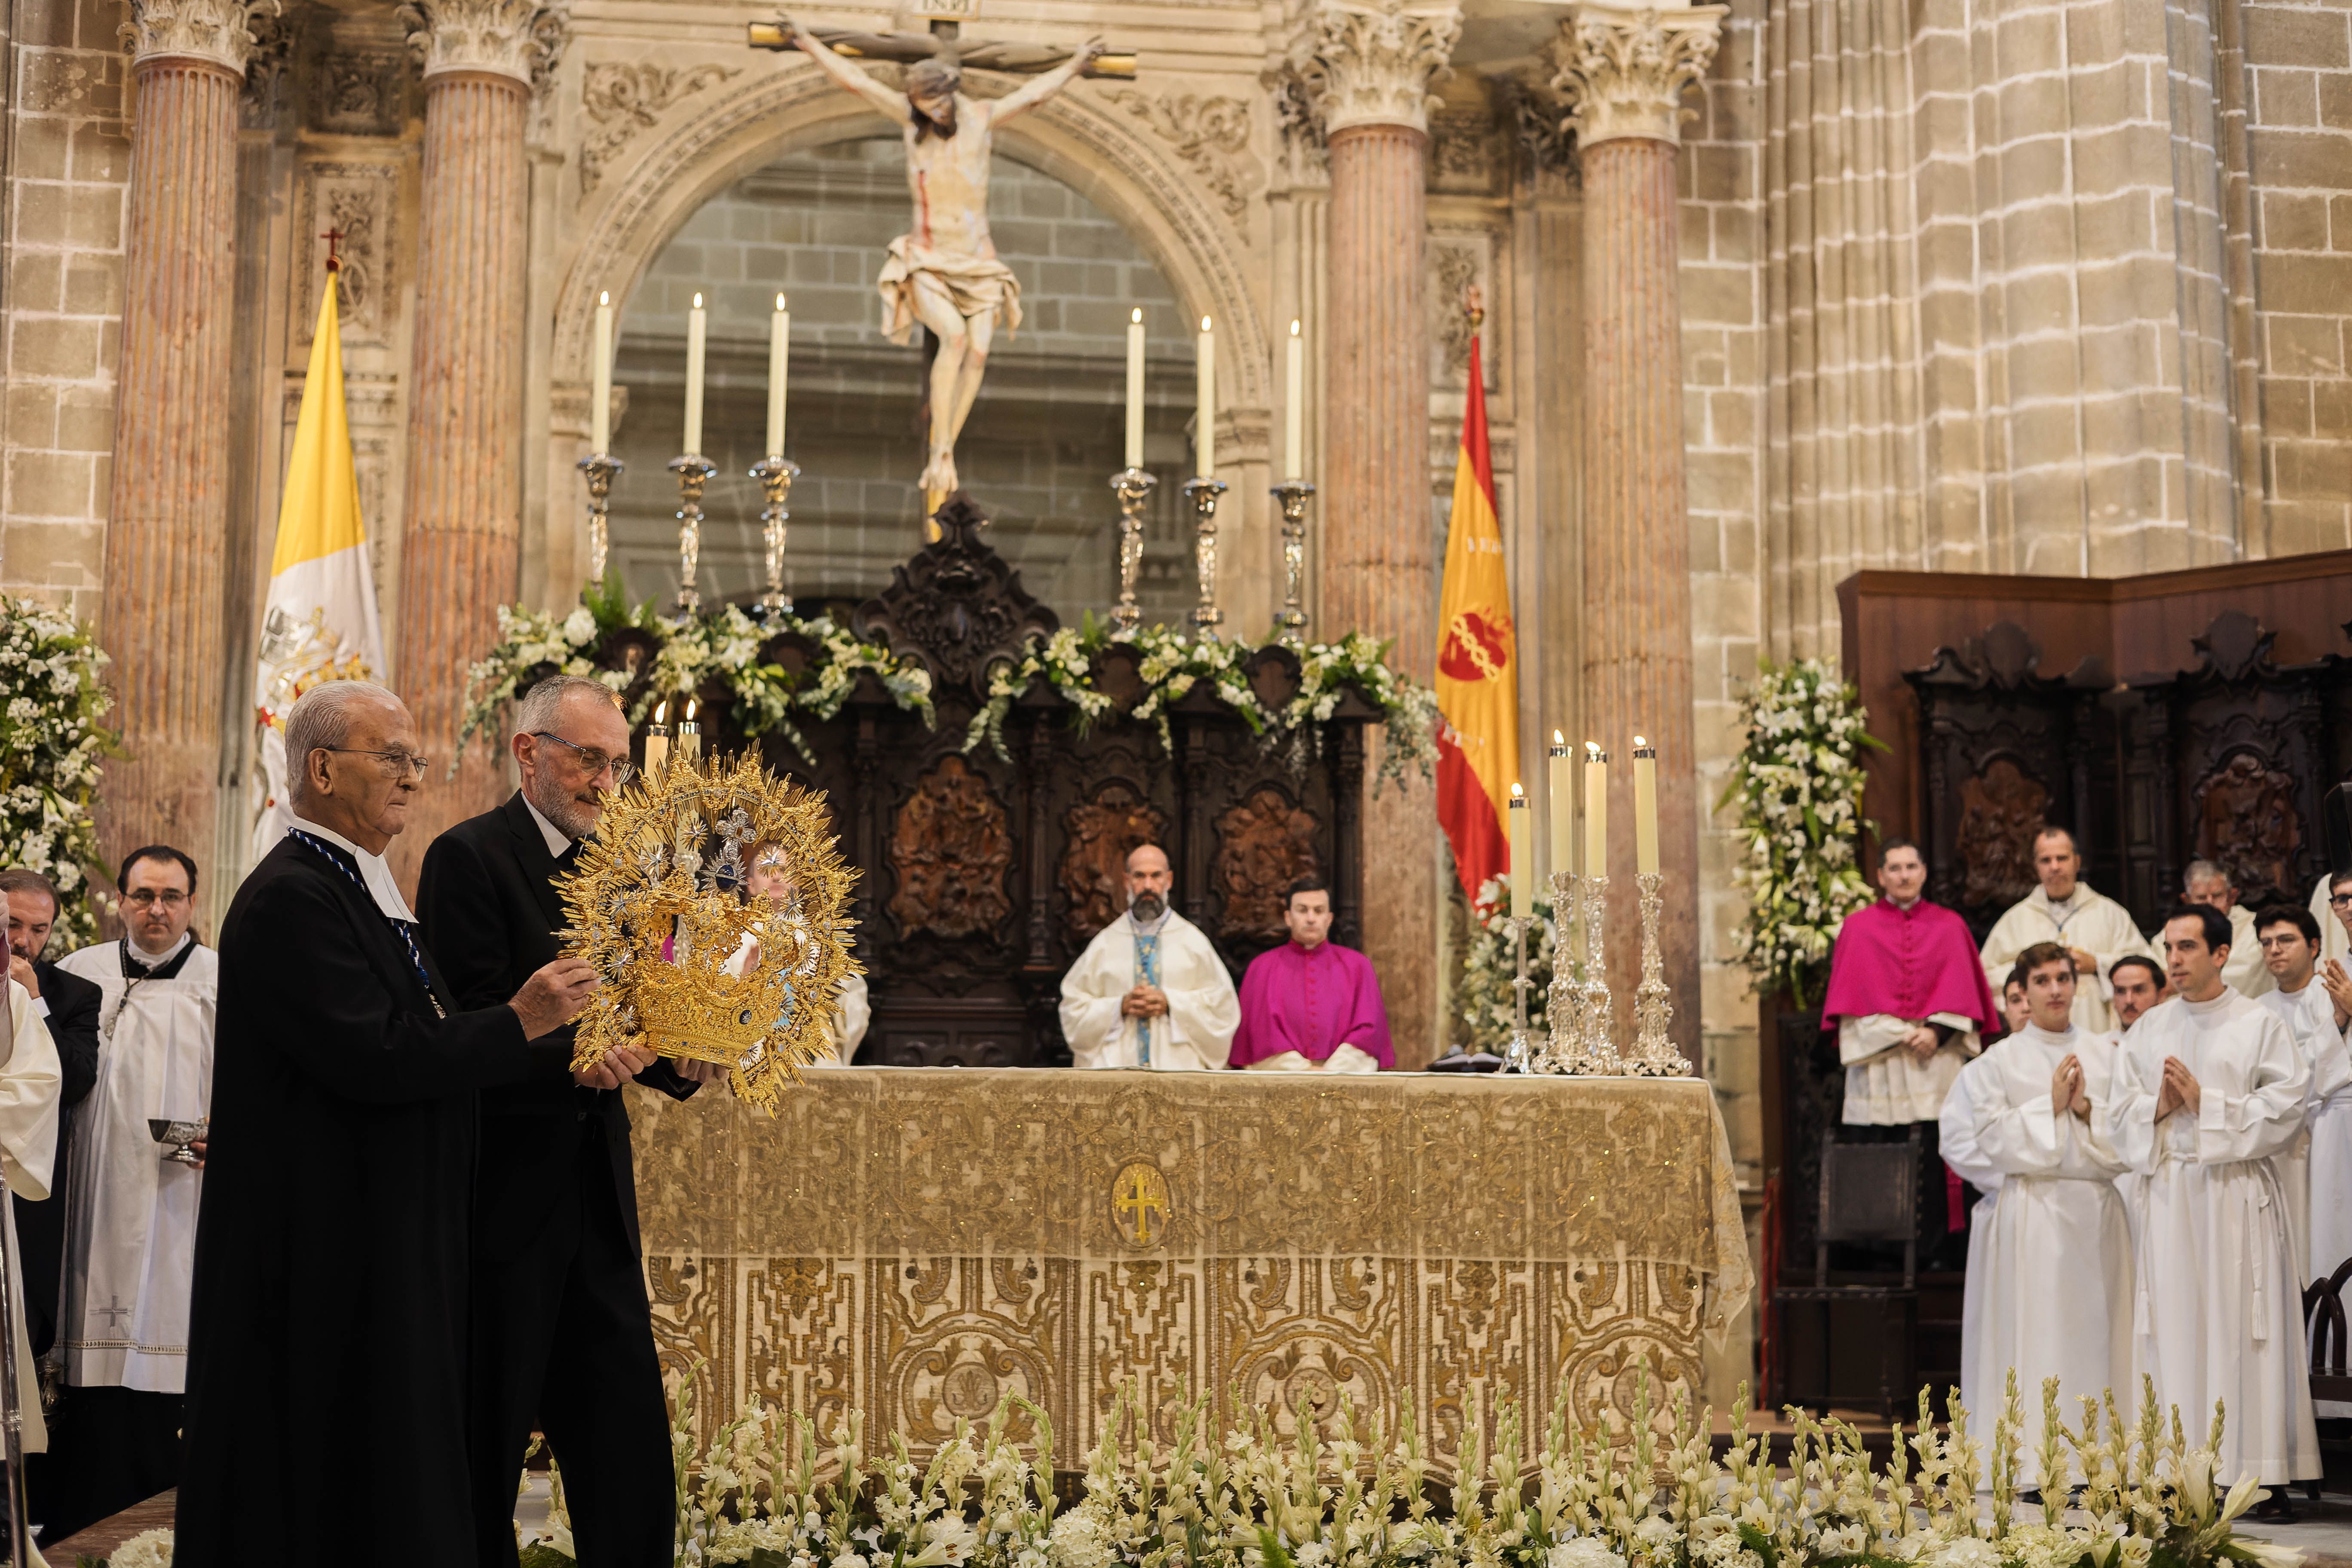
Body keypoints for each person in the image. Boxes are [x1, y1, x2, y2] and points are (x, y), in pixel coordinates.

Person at [175, 681, 604, 1567]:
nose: (414, 777)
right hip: (324, 1253)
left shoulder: (356, 886)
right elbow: (380, 1053)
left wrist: (555, 1042)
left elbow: (425, 1041)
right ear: (323, 769)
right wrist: (521, 1018)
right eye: (393, 758)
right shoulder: (293, 895)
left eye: (417, 759)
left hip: (377, 1240)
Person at [414, 675, 713, 1568]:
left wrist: (687, 1056)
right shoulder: (468, 858)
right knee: (486, 1440)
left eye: (617, 764)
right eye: (589, 758)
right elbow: (464, 1028)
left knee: (626, 1445)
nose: (604, 780)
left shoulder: (622, 873)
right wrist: (569, 1060)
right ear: (529, 752)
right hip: (503, 1202)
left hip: (598, 1200)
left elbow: (638, 1014)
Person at [781, 15, 1105, 497]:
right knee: (952, 338)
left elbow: (1035, 94)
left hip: (978, 260)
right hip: (929, 257)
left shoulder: (982, 118)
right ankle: (939, 453)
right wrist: (807, 42)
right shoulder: (911, 126)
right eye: (918, 104)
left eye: (931, 102)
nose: (926, 112)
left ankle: (948, 447)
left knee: (978, 350)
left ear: (949, 92)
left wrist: (1077, 63)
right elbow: (854, 80)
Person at [2104, 904, 2318, 1494]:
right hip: (2171, 1195)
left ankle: (2256, 1474)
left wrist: (2208, 1104)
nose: (2173, 959)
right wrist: (2159, 1108)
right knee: (2175, 1327)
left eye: (2187, 948)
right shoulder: (2149, 1027)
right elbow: (2116, 1114)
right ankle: (2178, 1471)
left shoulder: (2257, 1023)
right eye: (2169, 948)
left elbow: (2290, 1107)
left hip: (2234, 1194)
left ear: (2221, 954)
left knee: (2237, 1329)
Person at [40, 847, 217, 1544]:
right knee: (89, 1374)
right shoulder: (80, 973)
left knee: (165, 1363)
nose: (157, 909)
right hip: (90, 1202)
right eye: (143, 894)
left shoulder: (222, 981)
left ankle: (161, 1532)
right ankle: (77, 1532)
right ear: (118, 898)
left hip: (183, 1200)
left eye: (172, 896)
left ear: (192, 904)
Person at [1940, 941, 2132, 1483]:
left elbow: (2131, 1135)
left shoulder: (2108, 1052)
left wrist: (2087, 1109)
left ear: (2077, 984)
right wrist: (2045, 1108)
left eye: (2064, 978)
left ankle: (2100, 1463)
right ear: (2023, 991)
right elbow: (1974, 1140)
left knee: (2100, 1334)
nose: (2055, 990)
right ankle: (2033, 1465)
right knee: (2038, 1334)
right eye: (2043, 980)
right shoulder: (1998, 1061)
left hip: (2097, 1208)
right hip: (2034, 1212)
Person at [1821, 840, 1997, 1124]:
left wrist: (1935, 1034)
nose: (1904, 876)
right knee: (1881, 1145)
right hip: (1879, 1057)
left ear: (1924, 872)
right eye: (1895, 868)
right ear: (1880, 876)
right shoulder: (1857, 929)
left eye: (1911, 867)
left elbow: (1963, 994)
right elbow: (1849, 1003)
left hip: (1937, 1056)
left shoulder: (1951, 926)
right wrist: (1898, 1034)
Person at [0, 870, 98, 1363]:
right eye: (14, 924)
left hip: (27, 1191)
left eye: (40, 929)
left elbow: (77, 1083)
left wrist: (35, 1000)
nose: (23, 940)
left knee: (22, 1328)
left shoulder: (74, 996)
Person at [1059, 844, 1237, 1070]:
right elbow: (1073, 1010)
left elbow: (1224, 1010)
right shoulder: (1105, 944)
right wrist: (1119, 1007)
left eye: (1156, 876)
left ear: (1169, 880)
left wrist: (1171, 1004)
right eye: (1139, 876)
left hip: (1178, 1073)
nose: (1148, 886)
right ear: (1126, 881)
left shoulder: (1193, 943)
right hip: (1116, 1073)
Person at [2254, 906, 2352, 1290]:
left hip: (2328, 1136)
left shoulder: (2333, 992)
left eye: (2286, 940)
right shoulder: (2257, 1011)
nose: (2275, 950)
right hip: (2282, 1148)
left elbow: (2326, 1076)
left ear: (2314, 946)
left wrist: (2339, 1021)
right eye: (2266, 943)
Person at [1980, 826, 2153, 1034]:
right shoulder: (2014, 921)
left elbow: (2147, 969)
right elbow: (1986, 978)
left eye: (2062, 858)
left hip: (2096, 1027)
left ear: (2077, 862)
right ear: (2036, 867)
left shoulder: (2110, 914)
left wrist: (2097, 965)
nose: (2055, 867)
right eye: (2046, 860)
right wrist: (2035, 972)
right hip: (2038, 1036)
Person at [1228, 877, 1392, 1073]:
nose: (1311, 918)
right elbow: (1262, 1033)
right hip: (1282, 1081)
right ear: (1288, 917)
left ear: (1329, 919)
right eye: (1303, 910)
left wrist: (1332, 1073)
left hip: (1345, 1078)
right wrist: (1303, 1072)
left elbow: (1368, 1029)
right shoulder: (1262, 967)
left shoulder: (1359, 966)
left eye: (1319, 910)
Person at [727, 842, 870, 1064]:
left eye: (784, 870)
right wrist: (743, 982)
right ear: (751, 885)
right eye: (767, 869)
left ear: (799, 882)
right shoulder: (731, 938)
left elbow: (854, 1004)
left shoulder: (822, 942)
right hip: (746, 1056)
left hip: (810, 1058)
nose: (776, 877)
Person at [2185, 859, 2273, 999]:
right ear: (2187, 901)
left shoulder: (2260, 927)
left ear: (2232, 897)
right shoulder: (2172, 935)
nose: (2210, 904)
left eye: (2217, 896)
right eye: (2201, 898)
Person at [2110, 953, 2168, 1031]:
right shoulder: (2098, 1043)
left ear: (2161, 995)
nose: (2129, 1001)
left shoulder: (2180, 1040)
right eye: (2120, 991)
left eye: (2139, 990)